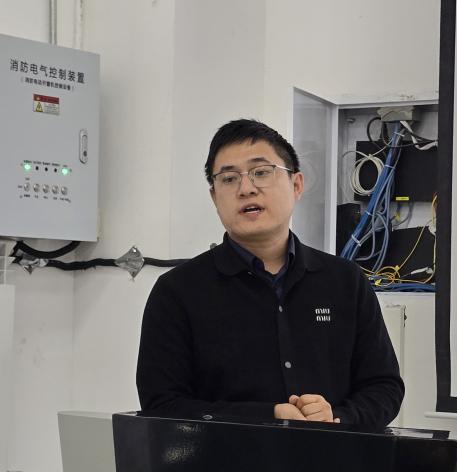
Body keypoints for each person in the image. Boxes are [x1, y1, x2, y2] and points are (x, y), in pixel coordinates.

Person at [136, 118, 404, 430]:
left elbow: (384, 387)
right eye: (228, 179)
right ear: (214, 197)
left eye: (261, 172)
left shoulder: (345, 281)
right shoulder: (178, 291)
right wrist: (268, 416)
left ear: (296, 185)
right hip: (222, 461)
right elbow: (161, 404)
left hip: (331, 458)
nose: (246, 188)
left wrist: (337, 417)